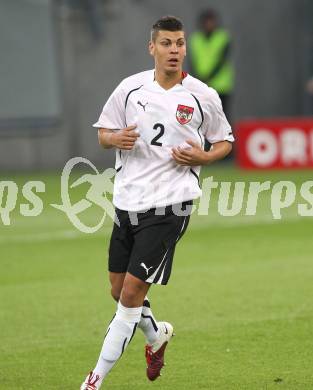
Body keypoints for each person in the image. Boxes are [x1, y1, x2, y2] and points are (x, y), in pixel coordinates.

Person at [81, 15, 234, 389]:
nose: (175, 50)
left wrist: (205, 157)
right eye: (166, 43)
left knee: (131, 294)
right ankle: (156, 335)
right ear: (152, 48)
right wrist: (115, 138)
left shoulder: (202, 95)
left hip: (171, 204)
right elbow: (103, 133)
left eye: (179, 43)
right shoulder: (130, 89)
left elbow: (225, 141)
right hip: (128, 200)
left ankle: (93, 380)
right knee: (118, 291)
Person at [189, 9, 234, 120]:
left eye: (211, 21)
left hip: (221, 86)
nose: (209, 24)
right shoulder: (195, 39)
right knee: (203, 117)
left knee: (222, 117)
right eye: (207, 22)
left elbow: (221, 61)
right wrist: (198, 79)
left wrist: (208, 77)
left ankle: (225, 138)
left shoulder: (223, 37)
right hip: (201, 85)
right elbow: (193, 61)